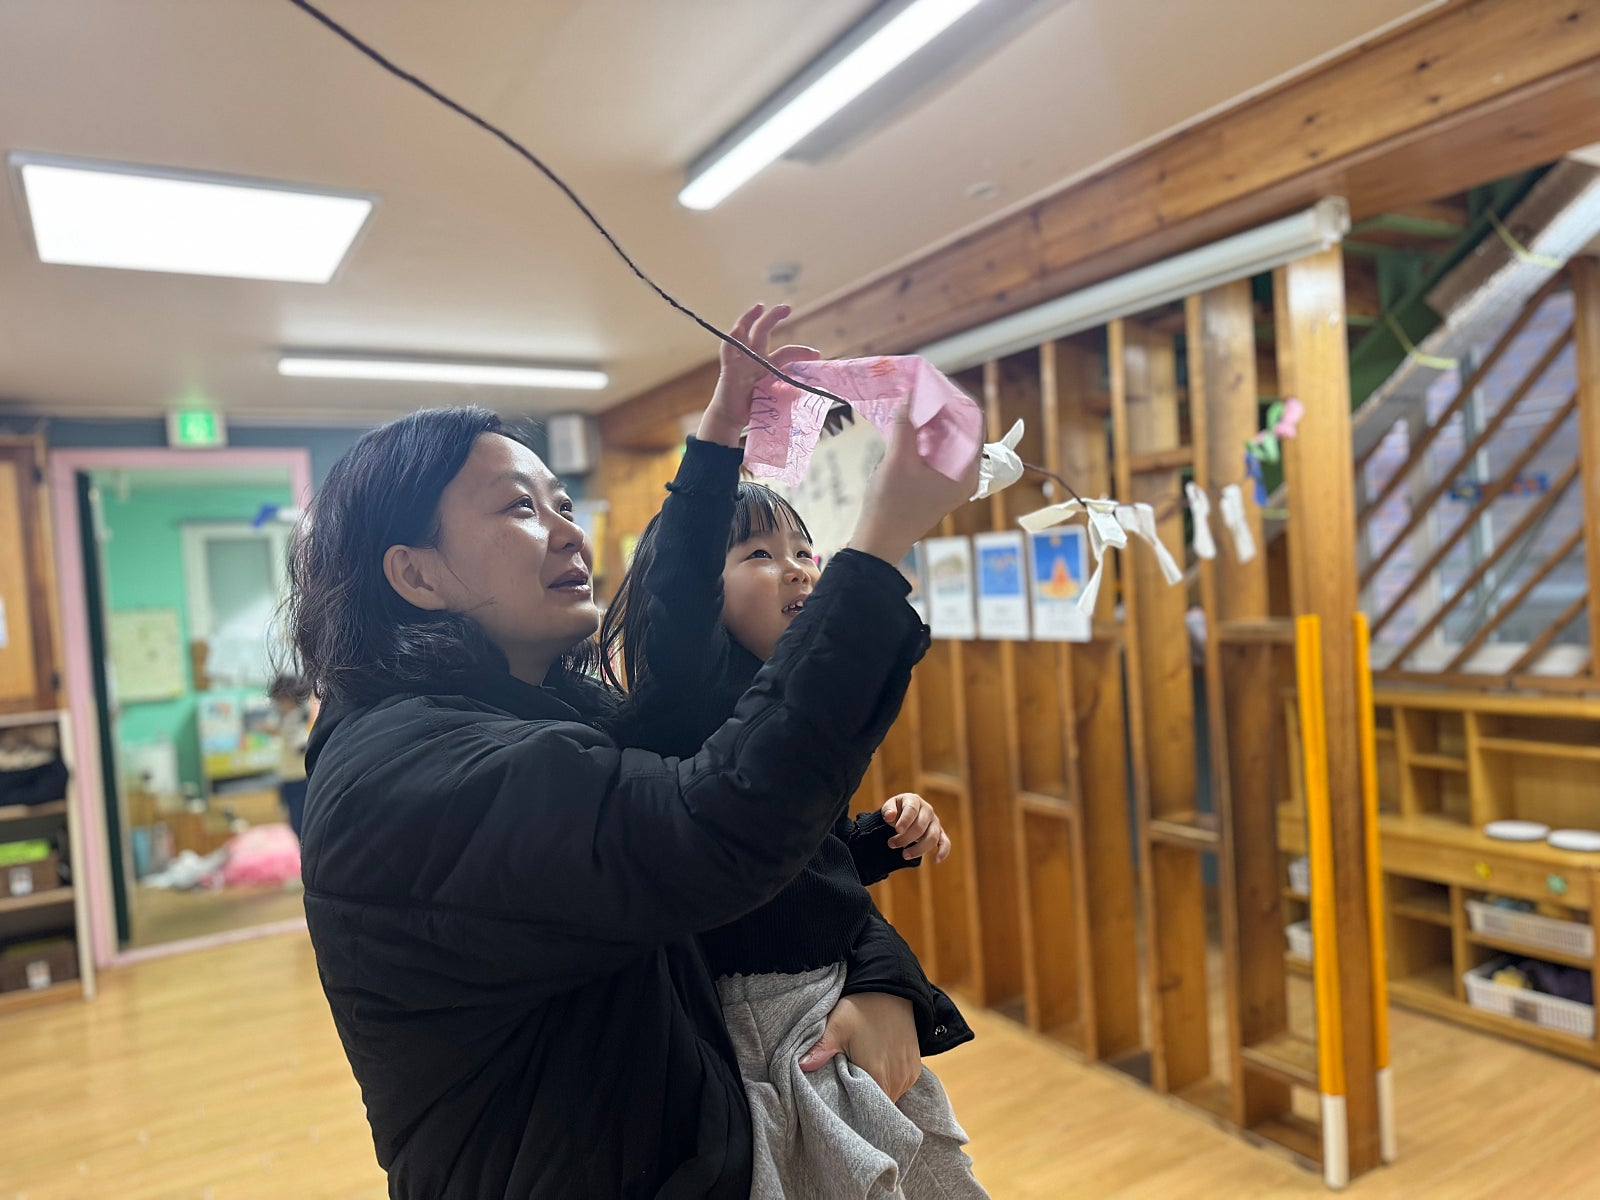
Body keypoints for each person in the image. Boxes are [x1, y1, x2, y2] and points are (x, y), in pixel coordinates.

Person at [286, 308, 980, 1198]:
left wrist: (884, 978)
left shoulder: (556, 711)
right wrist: (877, 549)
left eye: (562, 504)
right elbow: (718, 830)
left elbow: (789, 860)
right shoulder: (412, 777)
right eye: (519, 506)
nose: (568, 531)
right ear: (415, 574)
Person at [602, 303, 984, 1197]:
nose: (800, 566)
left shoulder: (781, 707)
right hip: (763, 1034)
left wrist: (875, 839)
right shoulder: (686, 698)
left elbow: (795, 860)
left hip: (834, 993)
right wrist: (718, 435)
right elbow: (679, 586)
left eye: (806, 549)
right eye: (760, 554)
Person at [266, 672, 314, 841]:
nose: (278, 705)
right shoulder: (289, 717)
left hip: (297, 778)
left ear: (290, 699)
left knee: (299, 823)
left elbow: (300, 743)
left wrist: (299, 743)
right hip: (291, 776)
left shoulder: (296, 718)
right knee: (296, 821)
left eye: (280, 701)